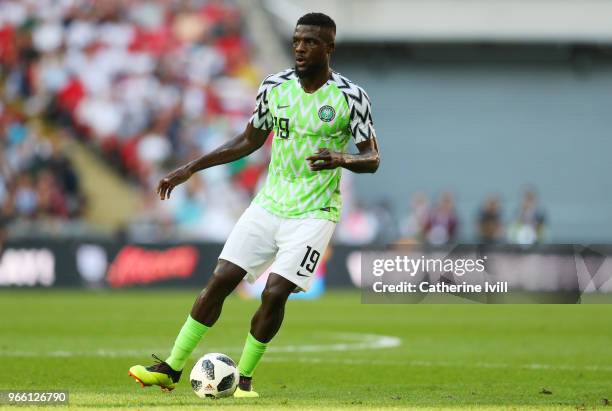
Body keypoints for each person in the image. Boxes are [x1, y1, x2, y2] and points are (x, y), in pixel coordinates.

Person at [128, 12, 380, 398]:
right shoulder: (274, 87)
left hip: (315, 213)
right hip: (268, 204)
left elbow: (373, 158)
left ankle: (243, 379)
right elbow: (248, 140)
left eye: (310, 41)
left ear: (328, 47)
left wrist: (342, 159)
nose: (299, 47)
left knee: (274, 292)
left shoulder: (350, 97)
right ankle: (170, 368)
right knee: (220, 281)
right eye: (297, 40)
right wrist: (190, 168)